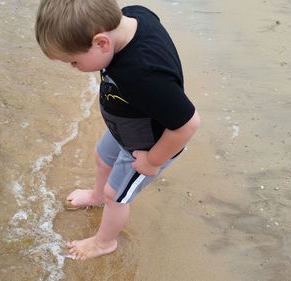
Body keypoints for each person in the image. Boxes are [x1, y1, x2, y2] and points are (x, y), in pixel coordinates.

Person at [35, 0, 200, 260]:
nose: (73, 67)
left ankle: (104, 242)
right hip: (128, 126)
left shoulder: (144, 76)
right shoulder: (133, 16)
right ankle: (96, 196)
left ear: (102, 43)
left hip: (149, 145)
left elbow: (187, 124)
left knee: (118, 197)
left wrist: (153, 161)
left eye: (74, 61)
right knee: (102, 158)